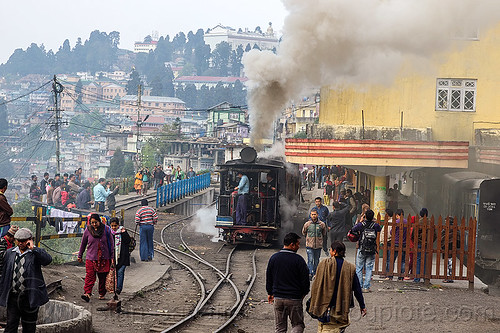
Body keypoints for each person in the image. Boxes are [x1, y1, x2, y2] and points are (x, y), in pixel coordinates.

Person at [0, 228, 52, 333]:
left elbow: (47, 260)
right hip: (14, 297)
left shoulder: (35, 253)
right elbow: (5, 272)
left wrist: (34, 248)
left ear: (29, 240)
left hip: (30, 297)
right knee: (11, 325)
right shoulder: (10, 253)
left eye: (23, 241)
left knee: (29, 327)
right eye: (18, 240)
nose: (20, 243)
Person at [308, 241, 366, 332]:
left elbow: (317, 286)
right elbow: (357, 289)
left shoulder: (323, 264)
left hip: (324, 307)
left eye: (330, 250)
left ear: (334, 251)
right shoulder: (350, 268)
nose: (330, 251)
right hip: (341, 308)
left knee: (325, 328)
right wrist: (362, 306)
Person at [266, 232, 309, 333]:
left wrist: (270, 293)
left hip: (278, 299)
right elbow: (305, 281)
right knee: (297, 325)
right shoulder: (299, 260)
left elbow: (269, 277)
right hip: (294, 299)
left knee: (280, 328)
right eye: (298, 244)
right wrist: (303, 294)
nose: (299, 246)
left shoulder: (274, 258)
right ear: (292, 244)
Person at [78, 213, 114, 302]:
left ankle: (102, 293)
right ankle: (87, 293)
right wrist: (80, 255)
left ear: (99, 221)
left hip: (104, 258)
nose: (94, 224)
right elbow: (83, 244)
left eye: (96, 222)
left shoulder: (106, 229)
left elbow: (112, 244)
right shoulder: (88, 230)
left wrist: (112, 257)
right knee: (90, 276)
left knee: (102, 277)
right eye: (92, 222)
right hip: (91, 257)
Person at [351, 209, 382, 292]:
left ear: (365, 216)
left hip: (362, 248)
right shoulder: (375, 225)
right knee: (369, 268)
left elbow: (353, 229)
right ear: (372, 217)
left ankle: (359, 286)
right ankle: (366, 287)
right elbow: (379, 229)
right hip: (371, 249)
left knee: (359, 268)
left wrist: (361, 220)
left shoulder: (361, 224)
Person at [302, 209, 327, 280]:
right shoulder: (307, 224)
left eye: (315, 214)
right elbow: (304, 232)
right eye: (312, 214)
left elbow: (324, 233)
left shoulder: (322, 224)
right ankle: (310, 273)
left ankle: (315, 273)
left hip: (318, 246)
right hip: (309, 246)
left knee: (316, 261)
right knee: (310, 260)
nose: (313, 216)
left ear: (317, 215)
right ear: (310, 215)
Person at [109, 217, 131, 295]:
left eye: (115, 226)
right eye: (112, 226)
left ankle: (118, 288)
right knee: (116, 272)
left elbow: (128, 241)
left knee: (120, 272)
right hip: (114, 257)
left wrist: (124, 233)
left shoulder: (123, 232)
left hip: (123, 256)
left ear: (118, 225)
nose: (114, 228)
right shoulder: (110, 233)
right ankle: (115, 287)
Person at [385, 208, 408, 280]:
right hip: (404, 243)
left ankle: (390, 275)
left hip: (395, 243)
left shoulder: (396, 222)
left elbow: (392, 232)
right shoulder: (407, 222)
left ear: (397, 215)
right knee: (402, 261)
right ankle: (400, 276)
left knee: (391, 260)